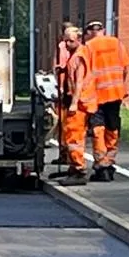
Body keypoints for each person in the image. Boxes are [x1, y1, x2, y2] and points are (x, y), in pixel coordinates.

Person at [80, 20, 129, 181]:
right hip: (115, 92)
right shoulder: (116, 43)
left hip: (97, 95)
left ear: (89, 32)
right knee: (113, 127)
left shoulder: (88, 47)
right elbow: (125, 67)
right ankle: (109, 160)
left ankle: (101, 163)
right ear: (103, 29)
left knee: (98, 129)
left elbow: (84, 72)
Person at [53, 23, 85, 173]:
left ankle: (79, 168)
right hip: (70, 97)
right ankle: (73, 165)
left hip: (77, 102)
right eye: (65, 40)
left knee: (74, 135)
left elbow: (79, 81)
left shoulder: (79, 56)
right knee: (69, 132)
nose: (66, 44)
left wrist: (74, 102)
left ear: (79, 39)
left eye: (70, 41)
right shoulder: (73, 55)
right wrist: (63, 69)